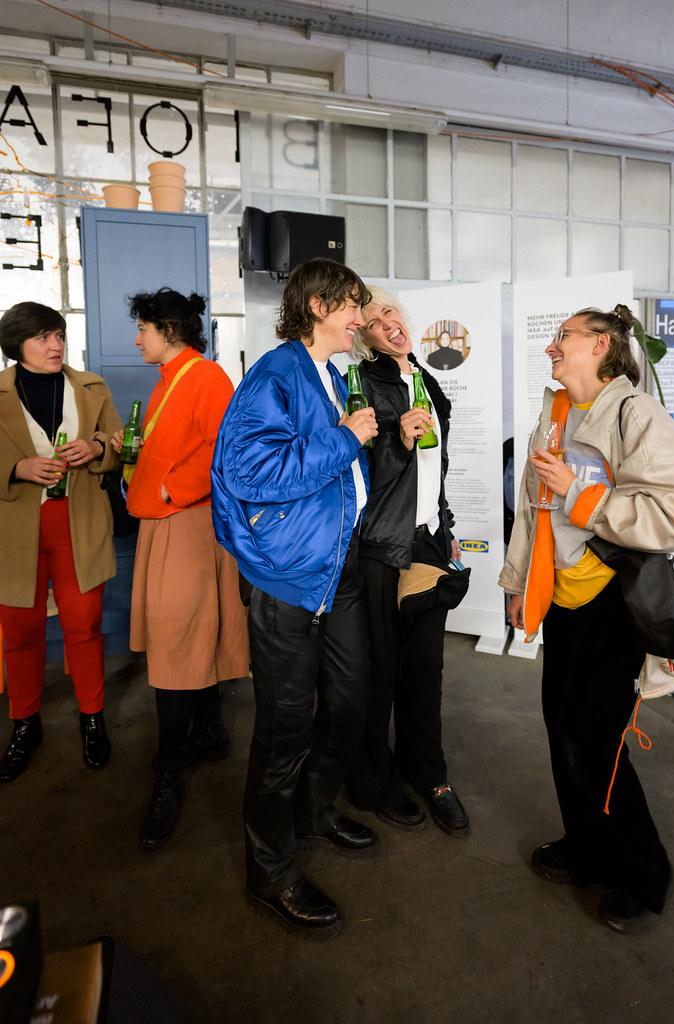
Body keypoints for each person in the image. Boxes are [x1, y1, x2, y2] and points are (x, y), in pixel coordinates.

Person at [500, 304, 674, 933]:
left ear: (602, 344)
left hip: (613, 604)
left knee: (597, 740)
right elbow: (531, 509)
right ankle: (586, 848)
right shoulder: (555, 412)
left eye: (564, 336)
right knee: (562, 726)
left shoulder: (636, 414)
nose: (551, 346)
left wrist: (582, 496)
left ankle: (645, 876)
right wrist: (517, 582)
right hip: (562, 599)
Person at [211, 258, 378, 939]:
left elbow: (333, 474)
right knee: (285, 729)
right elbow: (252, 473)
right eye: (351, 305)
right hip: (289, 579)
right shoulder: (274, 375)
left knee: (348, 701)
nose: (360, 317)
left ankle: (312, 811)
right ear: (316, 305)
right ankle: (270, 870)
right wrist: (345, 438)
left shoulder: (330, 373)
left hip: (337, 569)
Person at [112, 288, 248, 852]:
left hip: (187, 523)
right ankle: (210, 731)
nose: (136, 339)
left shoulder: (206, 376)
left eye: (142, 329)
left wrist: (169, 488)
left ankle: (168, 771)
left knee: (175, 643)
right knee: (189, 635)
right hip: (169, 521)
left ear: (168, 330)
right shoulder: (171, 377)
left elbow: (227, 449)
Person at [345, 288, 470, 837]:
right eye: (375, 320)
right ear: (365, 338)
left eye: (391, 312)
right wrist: (395, 440)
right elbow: (359, 472)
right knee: (380, 671)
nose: (389, 323)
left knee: (426, 671)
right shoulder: (362, 384)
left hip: (427, 544)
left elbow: (435, 468)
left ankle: (431, 776)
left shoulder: (425, 378)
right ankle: (375, 782)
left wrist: (446, 527)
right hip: (380, 546)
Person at [0, 301, 122, 781]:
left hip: (79, 522)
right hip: (14, 530)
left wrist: (95, 447)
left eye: (59, 335)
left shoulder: (91, 386)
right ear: (17, 345)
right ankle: (25, 724)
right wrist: (16, 468)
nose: (55, 346)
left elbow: (118, 442)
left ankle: (93, 719)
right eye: (43, 338)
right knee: (20, 632)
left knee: (84, 624)